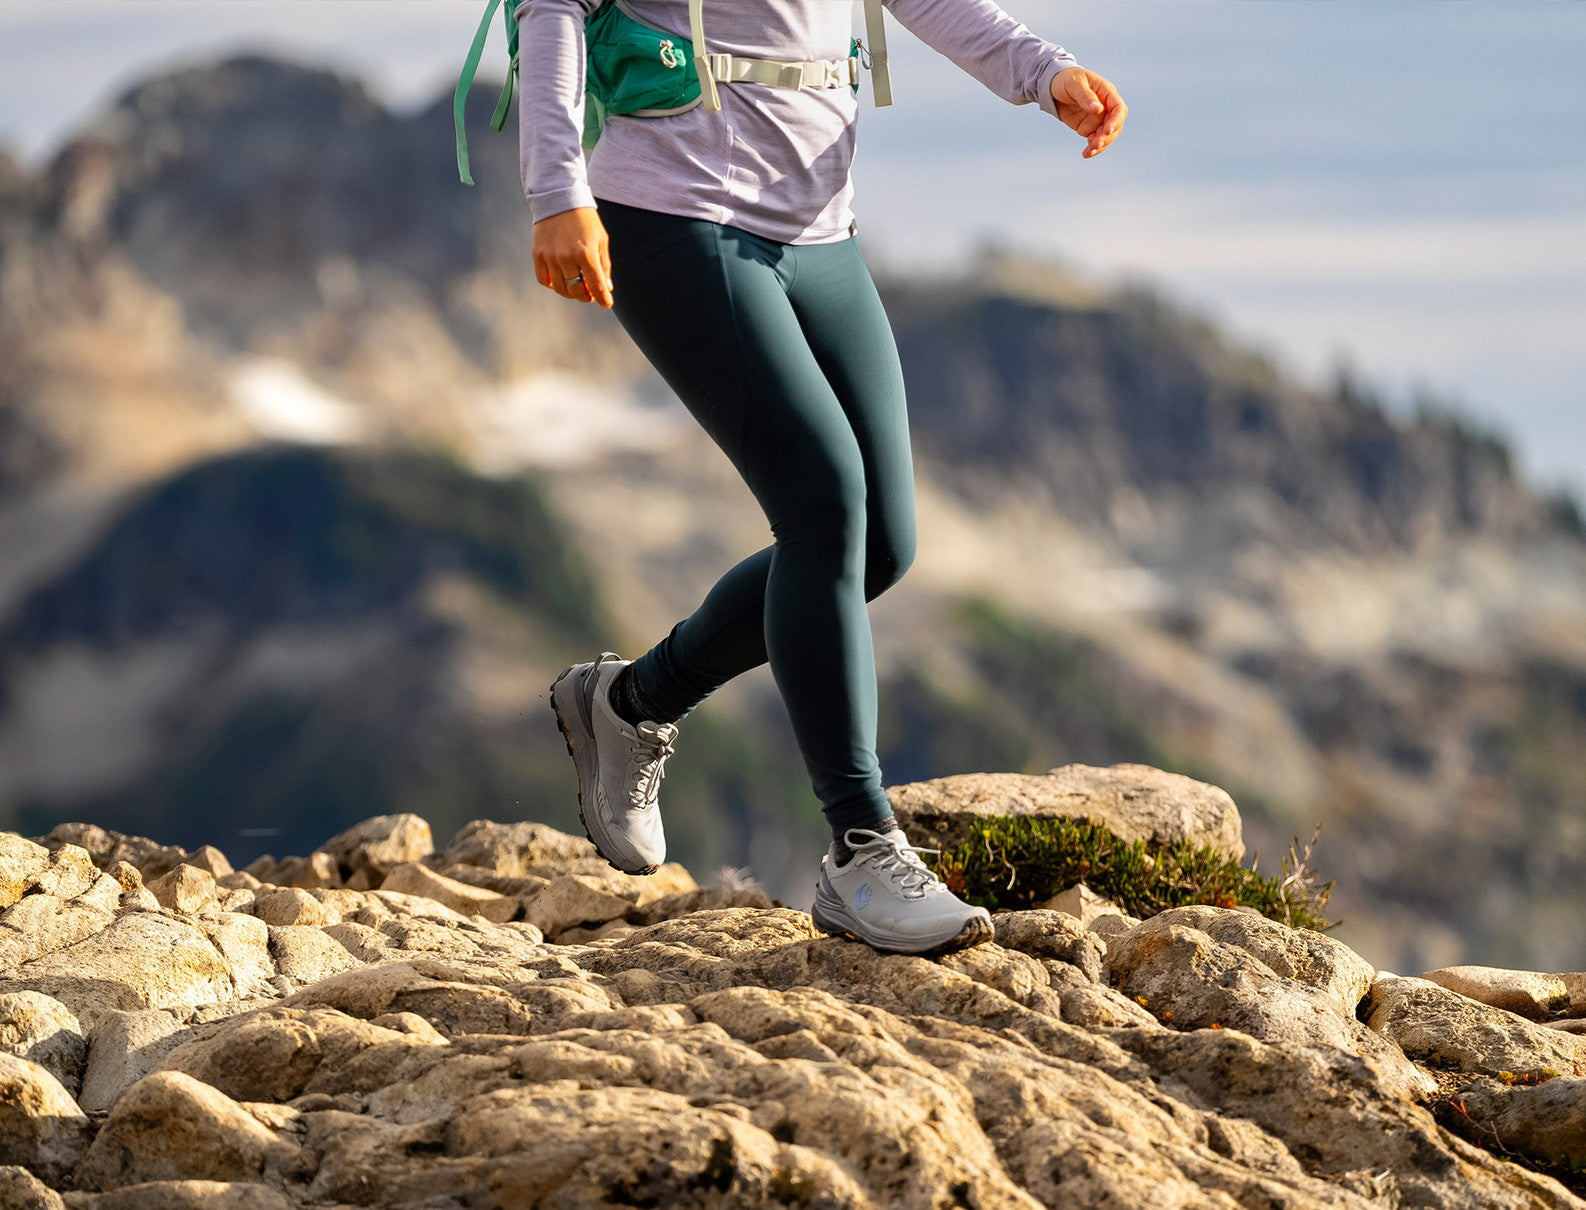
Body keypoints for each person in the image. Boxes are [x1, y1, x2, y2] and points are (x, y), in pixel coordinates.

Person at [532, 0, 1126, 955]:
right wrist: (557, 190)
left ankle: (629, 702)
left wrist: (1040, 71)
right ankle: (861, 850)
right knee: (823, 507)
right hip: (678, 213)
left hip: (821, 233)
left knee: (882, 543)